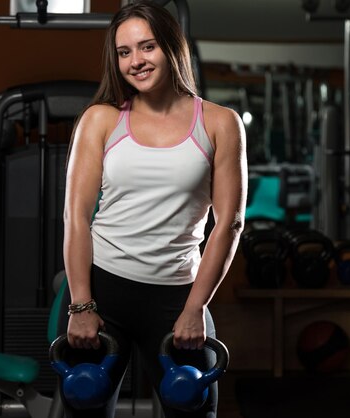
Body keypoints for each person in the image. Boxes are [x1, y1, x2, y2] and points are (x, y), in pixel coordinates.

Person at [60, 1, 247, 416]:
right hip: (103, 292)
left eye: (146, 47)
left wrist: (195, 308)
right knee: (83, 404)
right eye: (124, 52)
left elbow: (229, 223)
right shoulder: (100, 119)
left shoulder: (220, 122)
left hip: (179, 296)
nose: (135, 61)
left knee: (193, 408)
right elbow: (76, 218)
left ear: (171, 47)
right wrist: (81, 305)